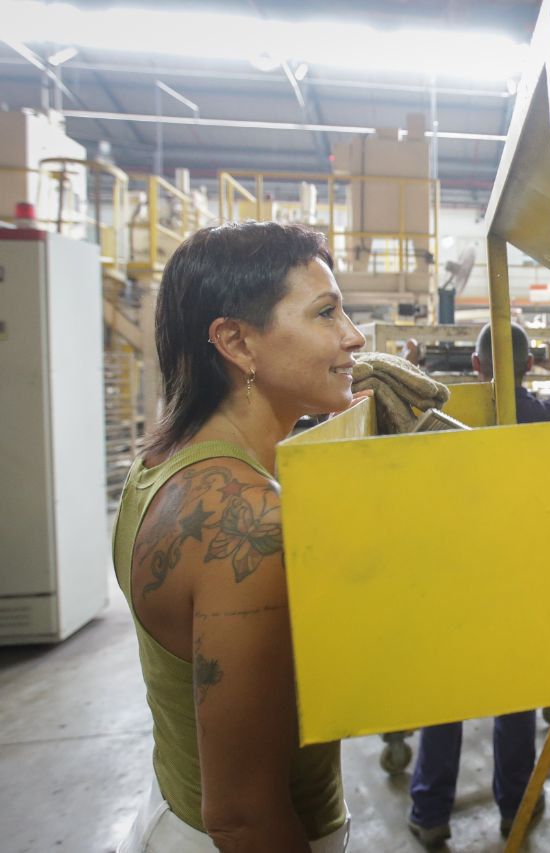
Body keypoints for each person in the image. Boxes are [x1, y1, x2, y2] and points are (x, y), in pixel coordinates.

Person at [114, 221, 366, 852]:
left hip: (170, 806)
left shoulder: (160, 464)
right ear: (236, 343)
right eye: (327, 313)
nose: (354, 336)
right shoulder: (246, 520)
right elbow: (244, 816)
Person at [407, 321, 550, 850]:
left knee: (445, 694)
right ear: (527, 367)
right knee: (513, 694)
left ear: (476, 366)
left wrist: (415, 364)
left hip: (452, 574)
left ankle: (430, 813)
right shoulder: (543, 412)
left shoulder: (446, 412)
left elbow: (405, 408)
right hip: (515, 576)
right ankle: (515, 808)